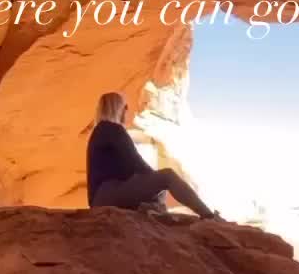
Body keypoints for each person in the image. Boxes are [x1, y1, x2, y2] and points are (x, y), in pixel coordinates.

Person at [86, 91, 217, 218]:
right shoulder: (113, 129)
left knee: (155, 194)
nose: (127, 111)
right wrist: (158, 187)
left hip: (100, 199)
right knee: (168, 176)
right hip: (110, 195)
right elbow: (137, 163)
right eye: (125, 107)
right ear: (118, 109)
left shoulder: (99, 132)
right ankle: (209, 215)